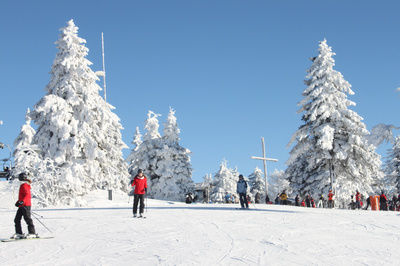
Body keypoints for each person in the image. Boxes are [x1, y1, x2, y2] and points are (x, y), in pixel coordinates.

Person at [12, 172, 37, 239]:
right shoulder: (23, 185)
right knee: (17, 219)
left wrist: (22, 201)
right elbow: (22, 196)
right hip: (22, 205)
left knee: (27, 219)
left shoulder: (24, 185)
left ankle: (32, 233)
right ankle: (19, 233)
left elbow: (27, 195)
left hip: (25, 205)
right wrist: (18, 202)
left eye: (20, 177)